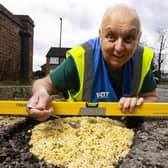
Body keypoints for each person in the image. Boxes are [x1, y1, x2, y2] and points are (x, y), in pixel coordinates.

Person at [27, 3, 159, 121]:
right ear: (100, 35)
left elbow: (152, 97)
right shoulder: (80, 59)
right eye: (111, 37)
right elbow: (44, 83)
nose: (119, 48)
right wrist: (40, 93)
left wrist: (138, 104)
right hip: (78, 131)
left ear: (138, 38)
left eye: (129, 38)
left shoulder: (142, 60)